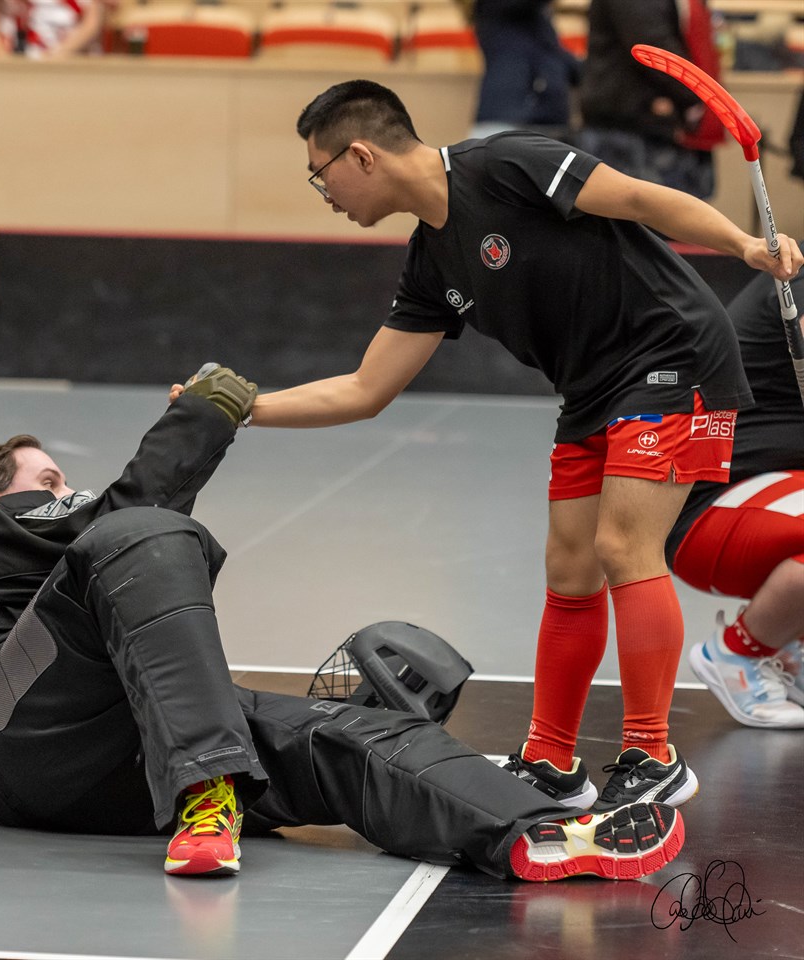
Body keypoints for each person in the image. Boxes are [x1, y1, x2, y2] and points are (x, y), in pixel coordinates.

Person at [169, 80, 803, 816]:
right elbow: (367, 389)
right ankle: (551, 761)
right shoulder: (431, 264)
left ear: (362, 155)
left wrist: (742, 244)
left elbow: (637, 198)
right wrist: (240, 407)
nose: (325, 193)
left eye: (322, 173)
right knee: (569, 569)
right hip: (591, 389)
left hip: (673, 353)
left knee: (623, 546)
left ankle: (652, 755)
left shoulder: (507, 164)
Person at [0, 364, 686, 883]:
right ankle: (209, 790)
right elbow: (124, 517)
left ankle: (541, 832)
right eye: (49, 480)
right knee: (144, 533)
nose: (66, 488)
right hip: (11, 742)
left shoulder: (72, 543)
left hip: (127, 766)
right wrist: (203, 415)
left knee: (355, 737)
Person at [666, 247, 804, 729]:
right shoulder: (798, 284)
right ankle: (736, 653)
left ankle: (787, 645)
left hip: (771, 494)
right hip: (711, 512)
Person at [577, 0, 725, 200]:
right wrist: (696, 96)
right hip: (630, 131)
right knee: (642, 215)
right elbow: (653, 48)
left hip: (641, 125)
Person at [470, 0, 580, 140]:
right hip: (507, 121)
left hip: (548, 124)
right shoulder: (498, 8)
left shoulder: (539, 23)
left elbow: (559, 60)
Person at [0, 0, 108, 58]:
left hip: (69, 62)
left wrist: (60, 55)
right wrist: (1, 57)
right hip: (12, 59)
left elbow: (92, 23)